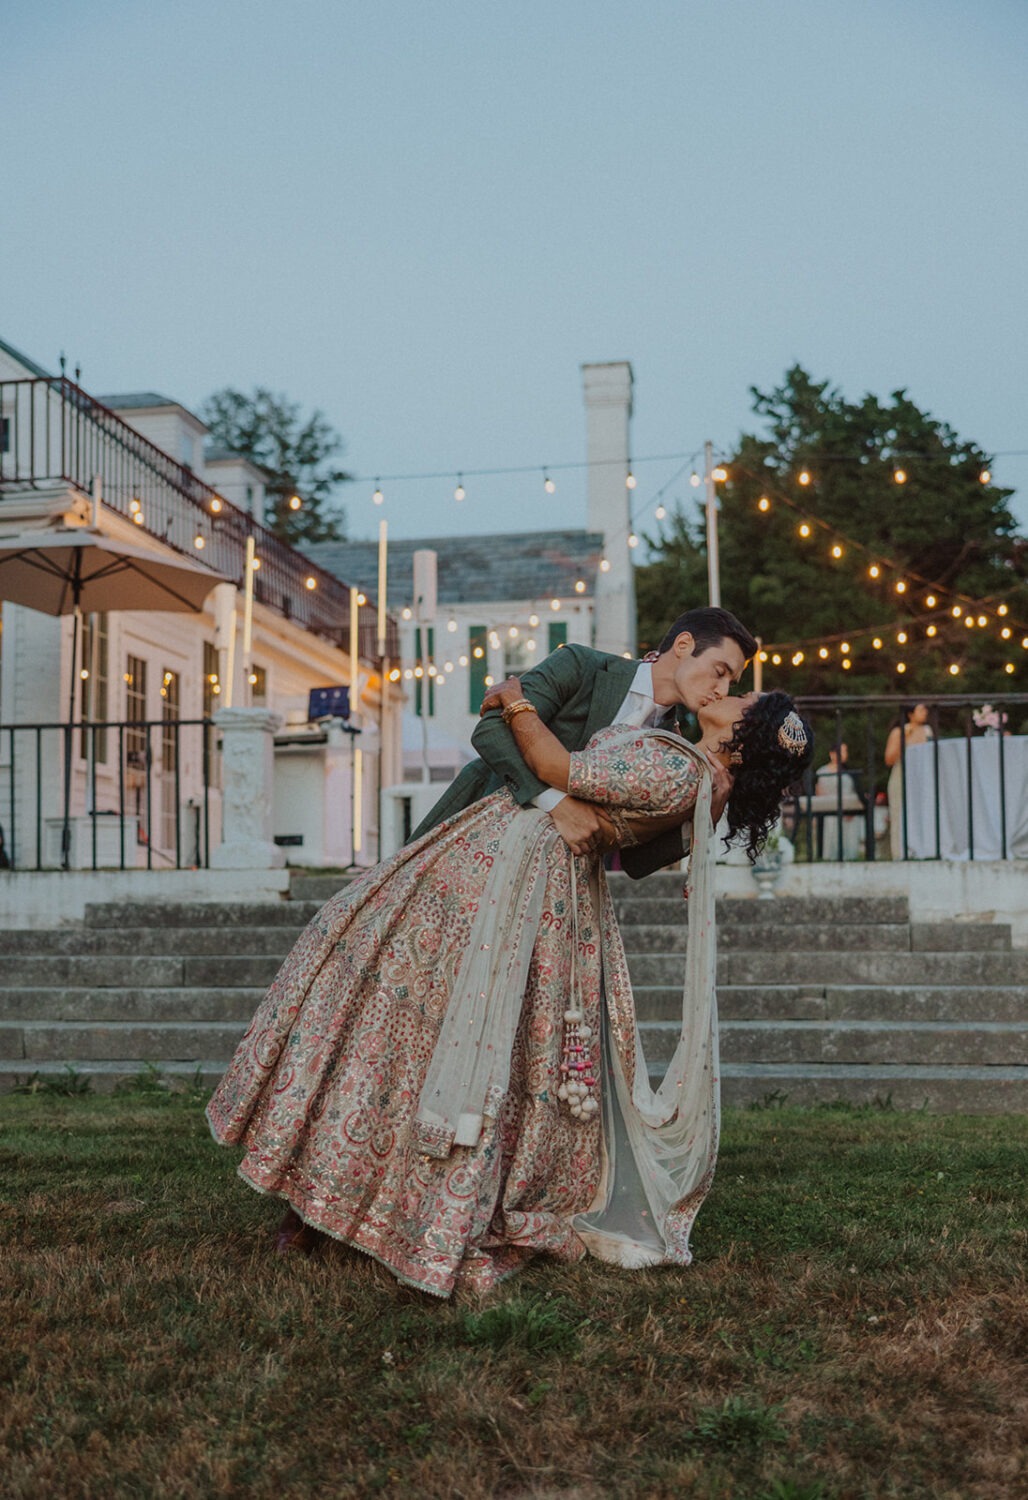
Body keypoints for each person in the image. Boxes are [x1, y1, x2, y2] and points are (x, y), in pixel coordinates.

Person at [206, 684, 813, 1300]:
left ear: (741, 739)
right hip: (531, 875)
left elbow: (556, 768)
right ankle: (346, 1191)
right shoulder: (699, 780)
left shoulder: (676, 768)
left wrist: (517, 699)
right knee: (423, 1021)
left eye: (743, 700)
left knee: (403, 1008)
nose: (729, 691)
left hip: (510, 875)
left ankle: (377, 1199)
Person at [409, 606, 759, 876]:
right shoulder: (582, 664)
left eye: (732, 682)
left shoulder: (673, 750)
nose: (723, 690)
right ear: (684, 645)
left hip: (550, 889)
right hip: (470, 837)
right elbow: (490, 730)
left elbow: (635, 864)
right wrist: (558, 805)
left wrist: (706, 815)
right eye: (720, 672)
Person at [884, 704, 933, 860]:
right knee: (899, 813)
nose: (925, 713)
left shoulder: (927, 731)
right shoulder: (899, 731)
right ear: (911, 714)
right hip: (901, 775)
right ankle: (899, 853)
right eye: (921, 710)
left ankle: (922, 849)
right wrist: (904, 738)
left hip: (922, 776)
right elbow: (889, 759)